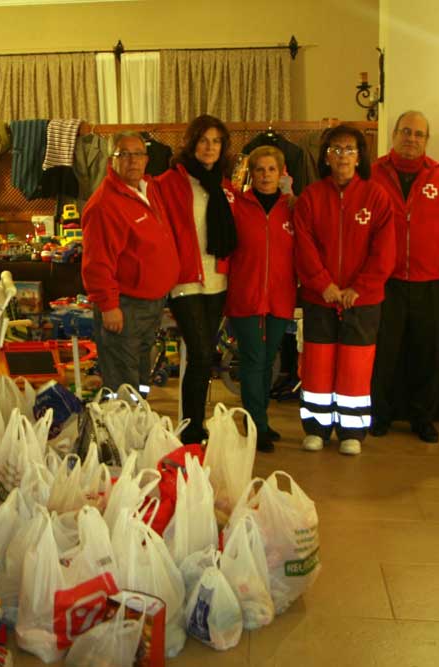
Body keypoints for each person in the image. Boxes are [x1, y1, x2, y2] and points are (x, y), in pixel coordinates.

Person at [369, 111, 439, 443]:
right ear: (394, 134)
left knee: (427, 354)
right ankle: (379, 415)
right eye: (406, 131)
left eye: (419, 134)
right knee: (384, 354)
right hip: (386, 282)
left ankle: (422, 417)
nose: (411, 138)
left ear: (426, 140)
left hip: (430, 282)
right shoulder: (373, 175)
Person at [293, 125, 395, 455]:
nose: (342, 156)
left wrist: (359, 289)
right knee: (318, 363)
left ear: (360, 156)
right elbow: (303, 246)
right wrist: (324, 284)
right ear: (325, 156)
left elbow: (385, 250)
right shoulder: (311, 197)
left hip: (362, 301)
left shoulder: (376, 196)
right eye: (335, 149)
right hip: (319, 297)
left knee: (356, 364)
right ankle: (317, 428)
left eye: (349, 149)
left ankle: (352, 429)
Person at [155, 114, 238, 444]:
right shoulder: (169, 182)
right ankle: (190, 428)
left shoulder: (223, 184)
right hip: (185, 281)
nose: (210, 147)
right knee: (203, 353)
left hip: (217, 279)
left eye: (217, 141)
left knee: (203, 356)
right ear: (192, 143)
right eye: (204, 140)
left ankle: (193, 422)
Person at [81, 132, 179, 394]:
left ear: (146, 160)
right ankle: (122, 430)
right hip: (124, 307)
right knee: (122, 379)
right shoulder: (104, 205)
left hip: (151, 304)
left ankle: (138, 424)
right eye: (124, 154)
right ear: (112, 161)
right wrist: (109, 306)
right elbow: (96, 263)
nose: (132, 160)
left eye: (137, 154)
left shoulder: (148, 190)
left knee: (139, 373)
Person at [226, 146, 296, 451]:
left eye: (271, 170)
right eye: (259, 170)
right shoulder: (237, 207)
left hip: (281, 297)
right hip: (245, 295)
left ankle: (259, 418)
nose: (265, 176)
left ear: (281, 173)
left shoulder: (292, 208)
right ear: (251, 174)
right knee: (253, 360)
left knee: (269, 361)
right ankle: (257, 425)